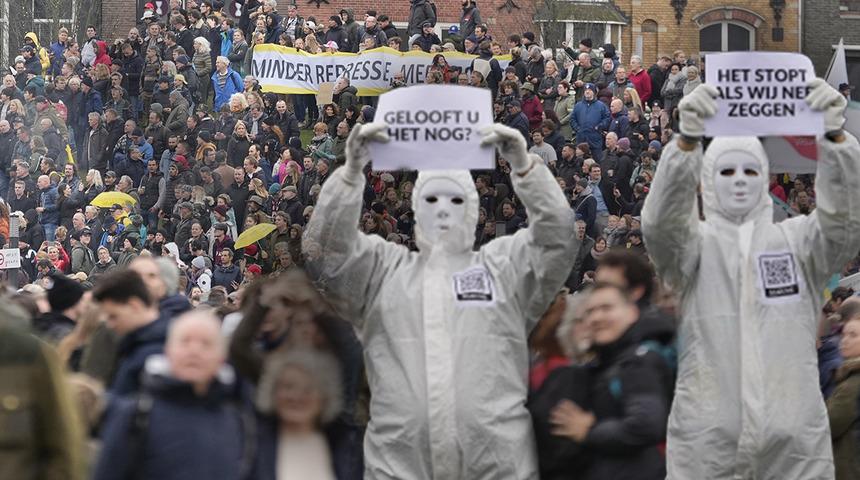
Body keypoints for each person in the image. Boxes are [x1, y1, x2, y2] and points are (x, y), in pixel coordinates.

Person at [304, 122, 576, 478]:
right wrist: (350, 174)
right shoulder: (384, 271)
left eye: (456, 199)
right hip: (399, 463)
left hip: (495, 462)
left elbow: (557, 241)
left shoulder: (503, 268)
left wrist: (526, 169)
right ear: (417, 209)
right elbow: (327, 252)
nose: (443, 208)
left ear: (473, 209)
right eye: (431, 198)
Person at [642, 79, 860, 479]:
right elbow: (661, 226)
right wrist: (685, 145)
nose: (739, 179)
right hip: (708, 439)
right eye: (726, 170)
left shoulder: (798, 244)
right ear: (706, 180)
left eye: (750, 170)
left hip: (792, 440)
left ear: (764, 178)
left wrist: (837, 140)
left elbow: (844, 222)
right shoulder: (693, 250)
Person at [93, 310, 252, 480]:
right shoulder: (136, 415)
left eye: (206, 344)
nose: (194, 351)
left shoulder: (238, 420)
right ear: (168, 350)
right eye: (185, 341)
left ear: (222, 356)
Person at [92, 269, 170, 395]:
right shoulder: (138, 344)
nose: (109, 325)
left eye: (113, 316)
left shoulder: (154, 353)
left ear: (134, 306)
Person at [826, 304, 860, 479]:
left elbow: (828, 425)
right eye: (844, 334)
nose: (844, 340)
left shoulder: (852, 385)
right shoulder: (849, 376)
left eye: (853, 335)